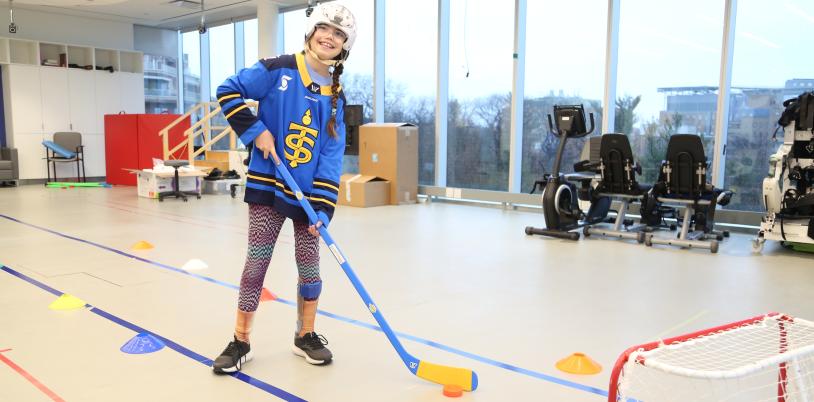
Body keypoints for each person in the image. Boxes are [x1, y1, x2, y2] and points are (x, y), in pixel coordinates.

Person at [211, 2, 357, 373]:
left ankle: (304, 334)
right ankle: (241, 341)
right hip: (267, 184)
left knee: (310, 268)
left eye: (339, 35)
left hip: (307, 196)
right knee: (255, 265)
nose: (330, 37)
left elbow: (330, 156)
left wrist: (323, 207)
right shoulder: (278, 68)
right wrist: (255, 131)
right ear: (311, 32)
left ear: (344, 47)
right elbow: (228, 90)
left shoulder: (337, 98)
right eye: (325, 29)